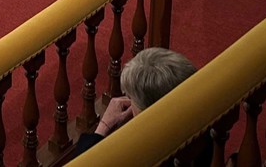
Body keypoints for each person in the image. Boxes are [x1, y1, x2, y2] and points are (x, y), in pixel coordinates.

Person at [69, 47, 202, 158]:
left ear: (148, 111)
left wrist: (102, 128)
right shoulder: (202, 118)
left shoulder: (133, 153)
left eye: (131, 97)